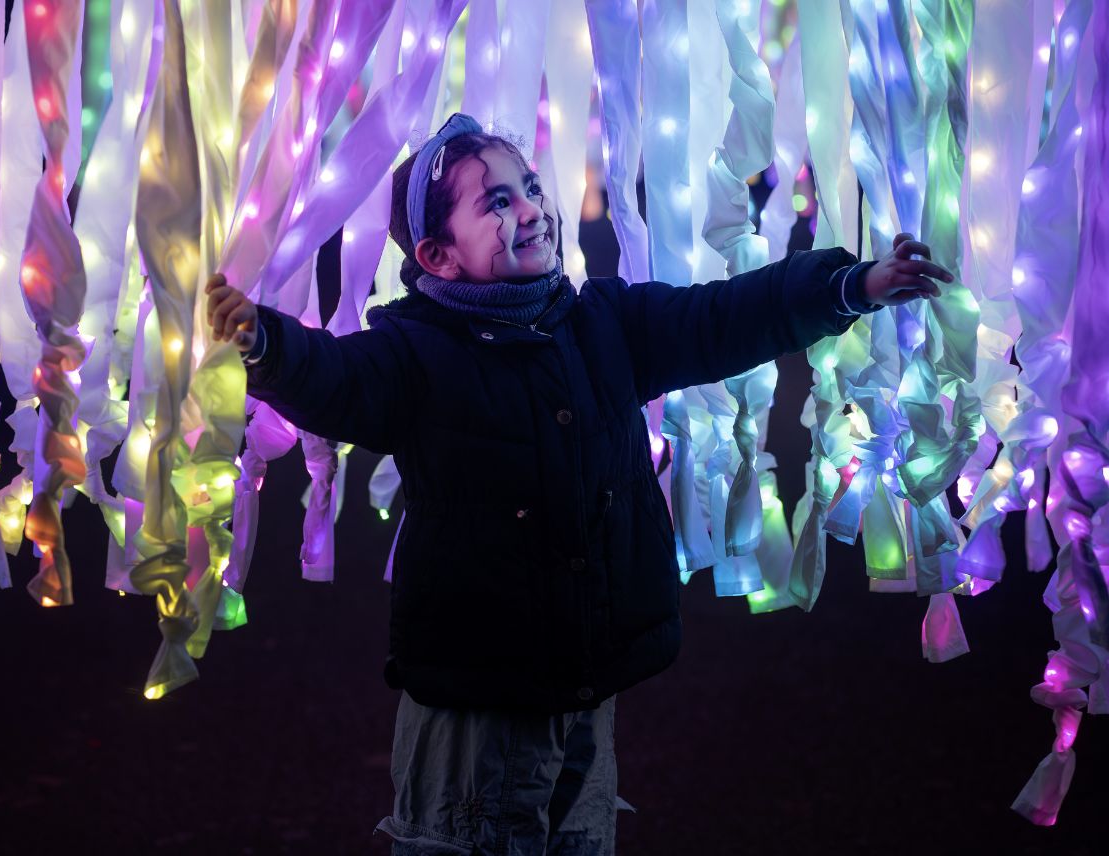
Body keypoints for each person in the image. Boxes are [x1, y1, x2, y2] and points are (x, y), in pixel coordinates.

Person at [204, 113, 952, 854]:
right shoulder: (414, 355)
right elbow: (337, 378)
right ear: (437, 255)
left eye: (528, 188)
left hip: (585, 684)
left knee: (579, 840)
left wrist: (848, 285)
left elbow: (722, 317)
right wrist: (268, 342)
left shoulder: (604, 323)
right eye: (494, 202)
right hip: (477, 702)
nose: (529, 209)